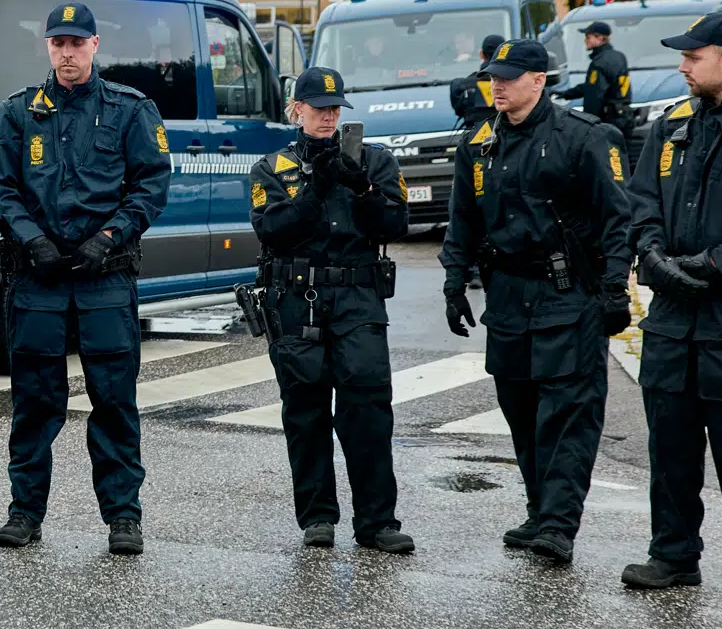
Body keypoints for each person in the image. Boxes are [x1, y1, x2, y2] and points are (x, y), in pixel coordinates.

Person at [0, 1, 170, 555]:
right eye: (58, 43)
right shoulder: (19, 112)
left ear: (94, 46)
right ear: (48, 47)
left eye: (76, 42)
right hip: (37, 280)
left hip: (103, 279)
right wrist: (29, 238)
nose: (67, 52)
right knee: (35, 403)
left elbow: (150, 185)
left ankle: (123, 517)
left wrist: (108, 237)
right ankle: (24, 513)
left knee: (113, 401)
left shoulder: (129, 110)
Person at [439, 39, 632, 565]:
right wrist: (454, 282)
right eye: (492, 77)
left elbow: (620, 219)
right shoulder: (479, 142)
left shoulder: (584, 138)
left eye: (508, 76)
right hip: (508, 297)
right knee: (520, 412)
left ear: (538, 81)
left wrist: (616, 288)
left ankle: (558, 525)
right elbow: (463, 218)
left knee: (568, 415)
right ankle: (538, 509)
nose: (497, 85)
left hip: (568, 294)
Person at [248, 67, 414, 553]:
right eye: (319, 108)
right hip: (298, 301)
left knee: (367, 412)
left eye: (335, 109)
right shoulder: (272, 168)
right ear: (296, 109)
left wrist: (362, 189)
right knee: (305, 412)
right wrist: (314, 189)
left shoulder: (375, 160)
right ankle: (318, 517)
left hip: (358, 299)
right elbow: (271, 230)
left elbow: (397, 223)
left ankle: (378, 522)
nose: (328, 117)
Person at [622, 12, 722, 589]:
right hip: (672, 324)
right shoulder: (673, 123)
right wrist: (653, 254)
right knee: (670, 453)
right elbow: (641, 200)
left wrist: (717, 263)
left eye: (693, 57)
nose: (682, 66)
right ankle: (673, 555)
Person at [560, 22, 633, 140]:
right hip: (624, 116)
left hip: (608, 119)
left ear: (600, 39)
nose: (585, 41)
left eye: (588, 37)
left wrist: (588, 123)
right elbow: (592, 86)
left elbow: (594, 95)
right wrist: (566, 94)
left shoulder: (600, 62)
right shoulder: (618, 56)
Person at [450, 34, 504, 128]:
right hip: (509, 140)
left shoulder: (461, 86)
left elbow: (459, 110)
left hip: (474, 140)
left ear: (481, 54)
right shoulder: (516, 84)